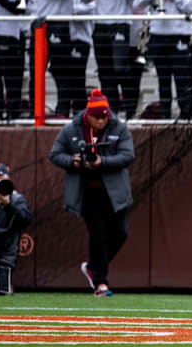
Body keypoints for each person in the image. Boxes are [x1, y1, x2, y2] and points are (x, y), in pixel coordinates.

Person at [49, 89, 135, 297]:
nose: (102, 122)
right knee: (98, 234)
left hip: (114, 191)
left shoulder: (119, 127)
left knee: (120, 233)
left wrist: (102, 162)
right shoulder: (71, 129)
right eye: (97, 118)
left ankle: (93, 267)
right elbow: (55, 154)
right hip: (87, 191)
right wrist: (73, 161)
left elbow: (128, 155)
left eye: (105, 117)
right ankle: (100, 282)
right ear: (88, 116)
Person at [133, 0, 192, 118]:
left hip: (179, 34)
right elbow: (138, 3)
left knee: (181, 79)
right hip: (158, 35)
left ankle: (185, 116)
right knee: (163, 81)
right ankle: (165, 116)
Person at [20, 0, 78, 116]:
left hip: (58, 24)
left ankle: (62, 112)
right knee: (35, 71)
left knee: (61, 72)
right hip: (38, 25)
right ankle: (34, 112)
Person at [89, 0, 140, 117]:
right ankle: (111, 112)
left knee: (121, 69)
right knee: (105, 72)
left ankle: (131, 110)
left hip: (119, 24)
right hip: (100, 25)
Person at [0, 163, 33, 295]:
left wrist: (8, 205)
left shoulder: (16, 199)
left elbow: (26, 219)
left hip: (4, 257)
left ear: (7, 179)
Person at [66, 0, 96, 113]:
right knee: (64, 78)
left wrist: (66, 11)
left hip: (80, 38)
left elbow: (90, 7)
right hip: (63, 38)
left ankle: (79, 113)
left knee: (77, 78)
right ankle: (62, 110)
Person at [126, 0, 148, 118]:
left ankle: (133, 111)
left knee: (135, 79)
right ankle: (129, 109)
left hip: (140, 42)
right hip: (125, 39)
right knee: (124, 76)